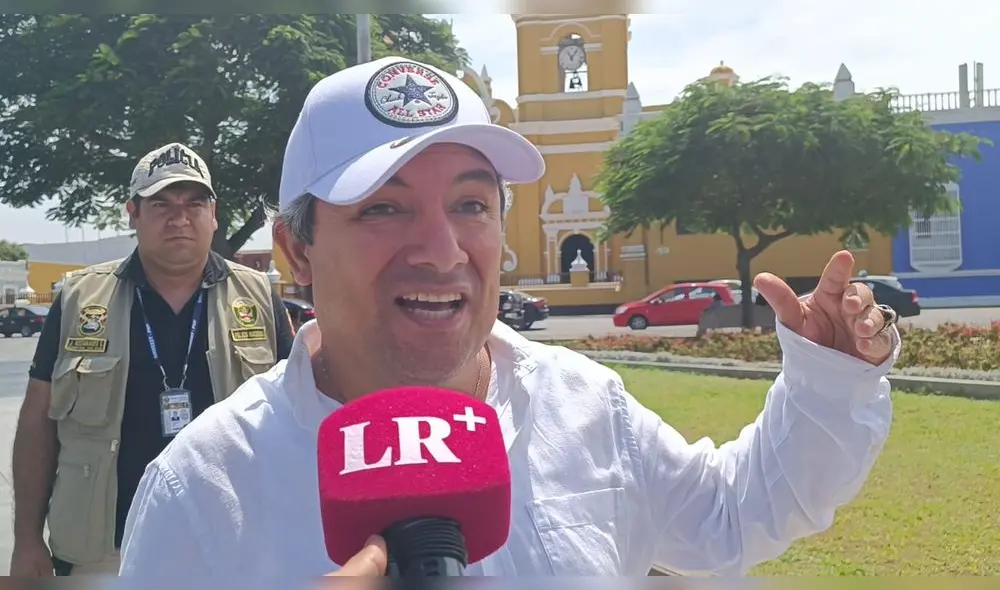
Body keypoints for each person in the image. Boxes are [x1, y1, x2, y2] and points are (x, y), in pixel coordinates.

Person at [118, 57, 900, 580]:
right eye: (384, 208)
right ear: (296, 250)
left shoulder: (586, 409)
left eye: (470, 204)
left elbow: (734, 514)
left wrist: (827, 386)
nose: (441, 248)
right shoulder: (204, 488)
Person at [9, 142, 296, 576]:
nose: (179, 218)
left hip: (234, 545)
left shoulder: (258, 298)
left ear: (213, 214)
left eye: (194, 203)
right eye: (160, 203)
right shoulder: (79, 299)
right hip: (103, 551)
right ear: (133, 213)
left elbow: (301, 416)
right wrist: (27, 538)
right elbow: (36, 424)